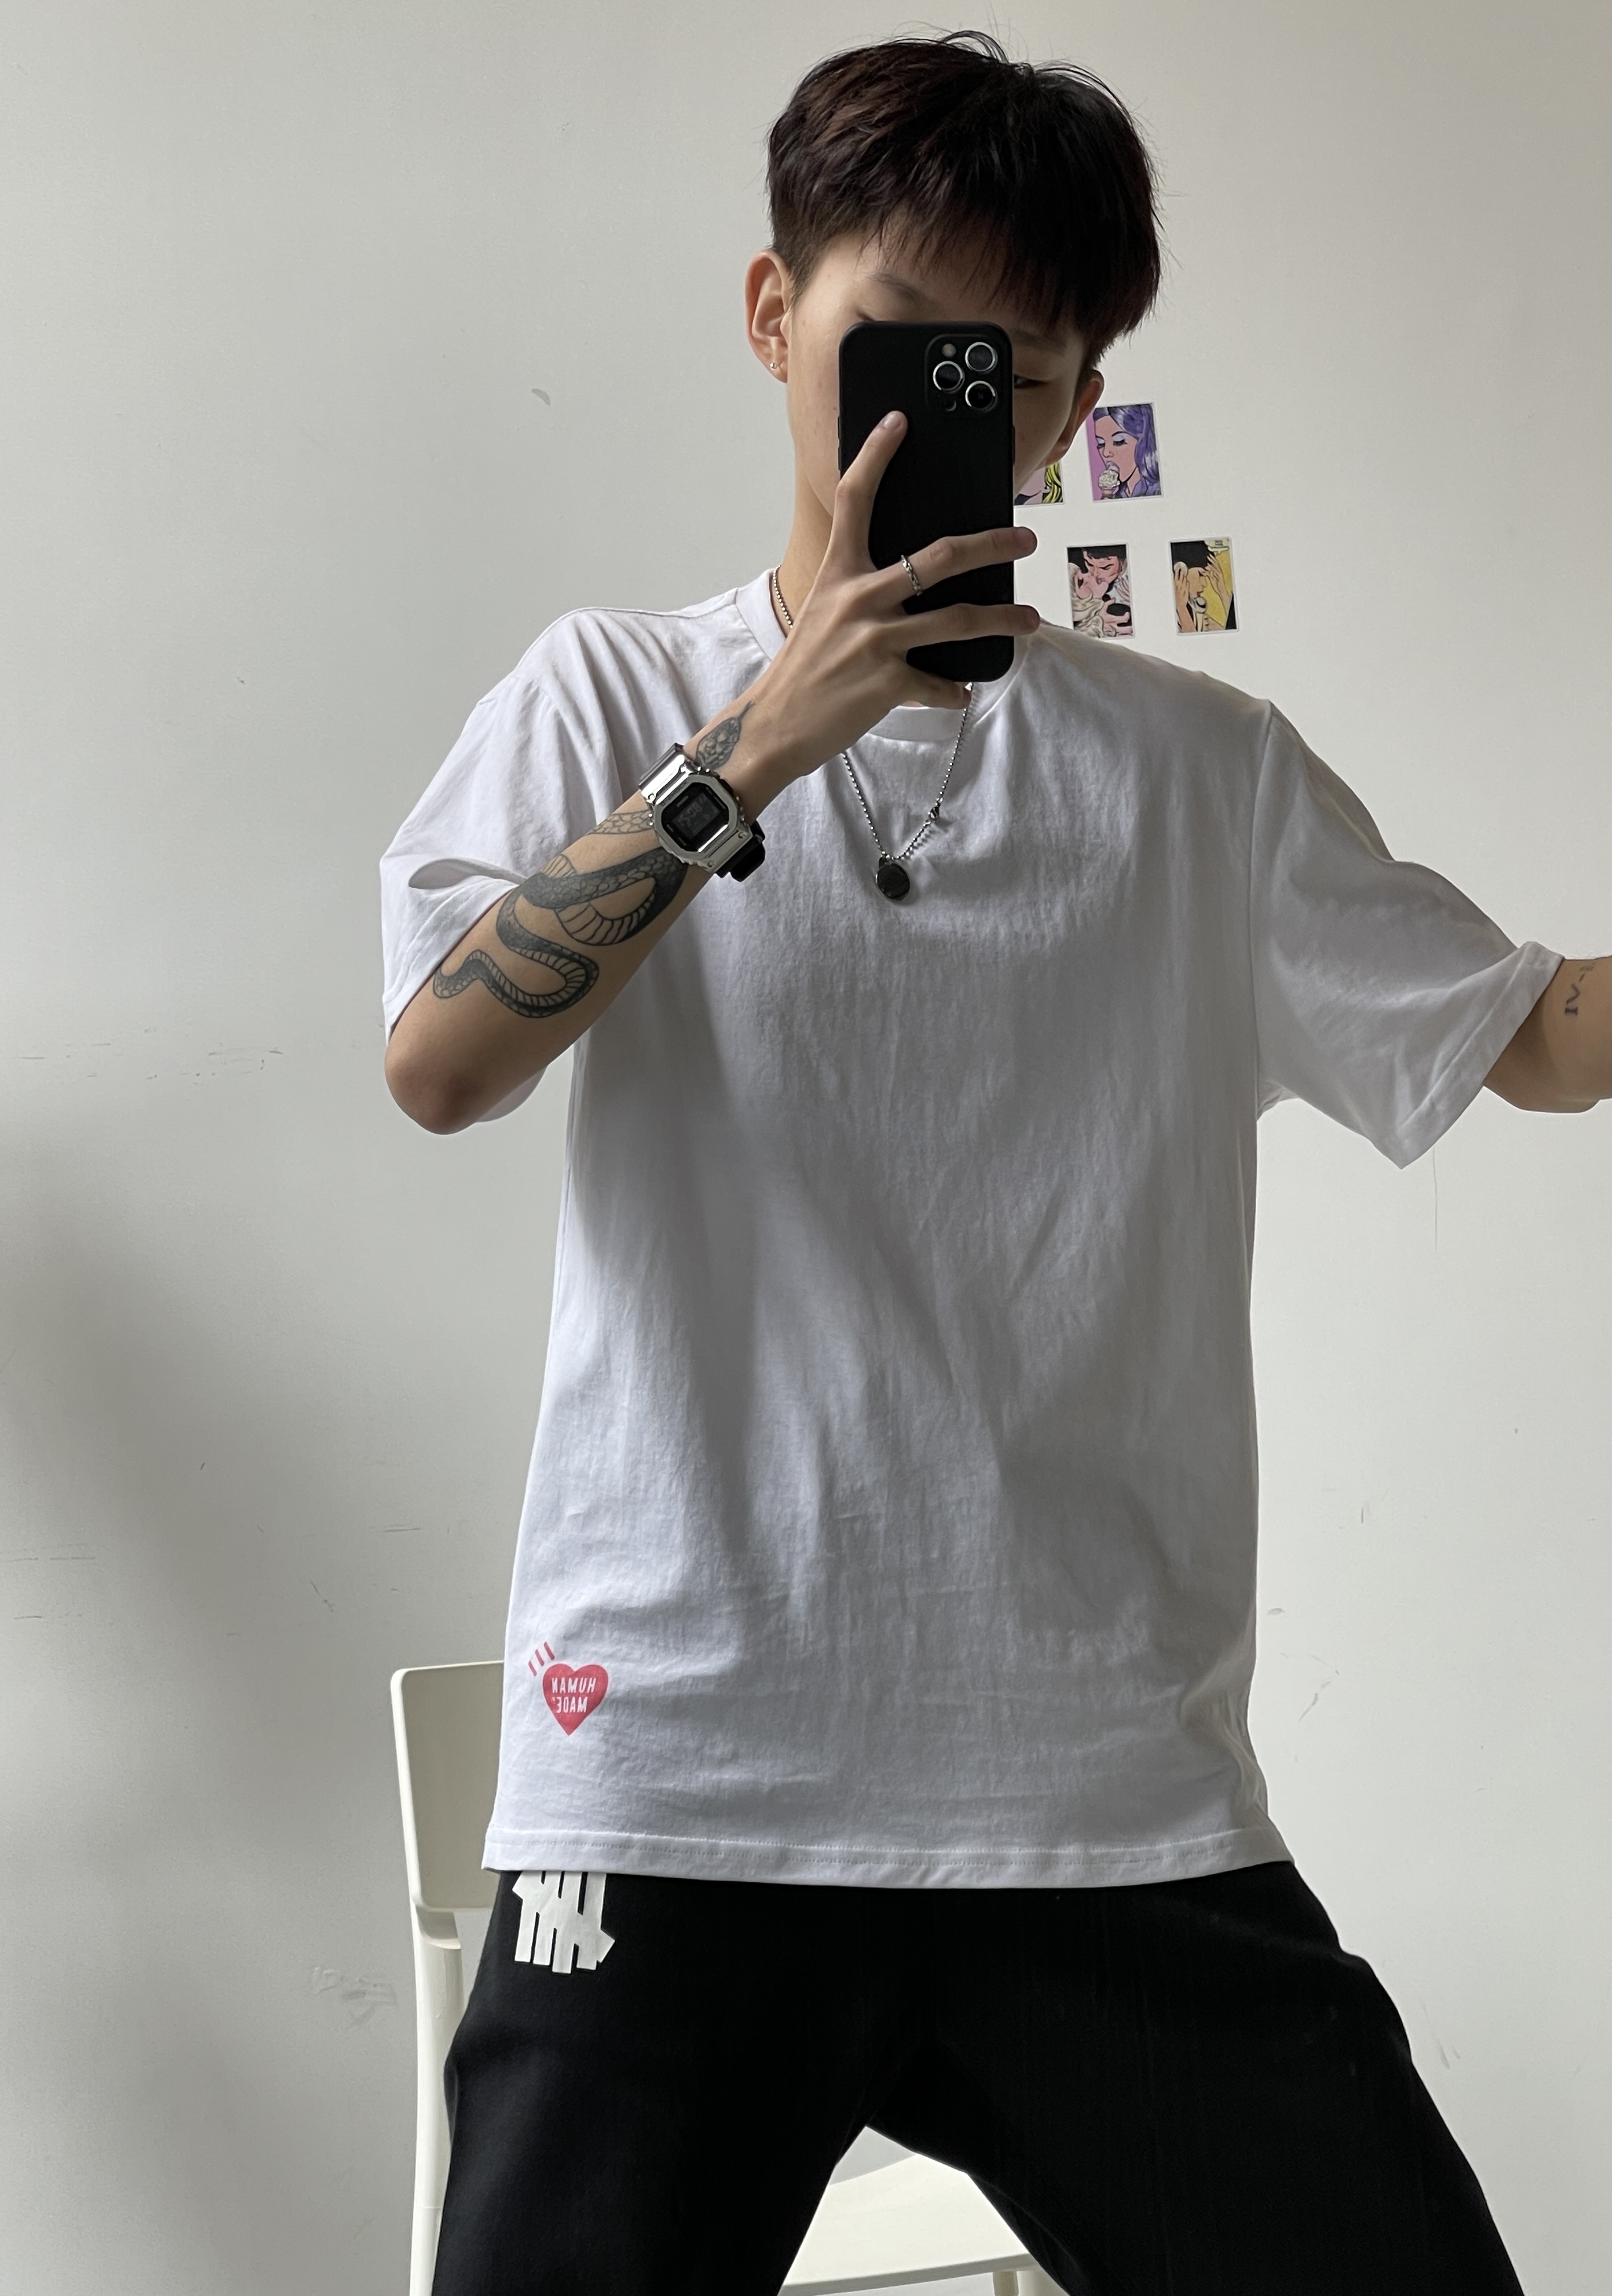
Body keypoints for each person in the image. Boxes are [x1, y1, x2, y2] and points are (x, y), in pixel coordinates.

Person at [379, 33, 1607, 2296]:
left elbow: (1528, 1034)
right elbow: (443, 1063)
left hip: (1101, 1805)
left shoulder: (1202, 775)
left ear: (1072, 406)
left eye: (1014, 372)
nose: (950, 412)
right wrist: (756, 749)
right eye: (898, 344)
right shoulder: (606, 696)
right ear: (776, 316)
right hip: (676, 1789)